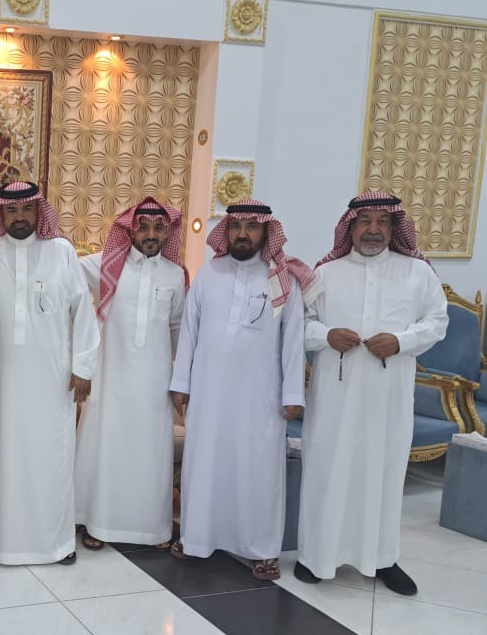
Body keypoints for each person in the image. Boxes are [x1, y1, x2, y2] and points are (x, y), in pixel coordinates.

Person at [295, 192, 448, 595]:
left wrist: (401, 341)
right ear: (350, 227)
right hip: (334, 398)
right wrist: (326, 335)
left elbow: (437, 322)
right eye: (365, 221)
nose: (374, 229)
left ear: (395, 228)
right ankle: (315, 557)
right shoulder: (326, 274)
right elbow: (299, 325)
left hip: (387, 399)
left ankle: (382, 559)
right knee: (327, 470)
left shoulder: (417, 273)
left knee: (383, 473)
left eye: (383, 222)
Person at [169, 200, 312, 580]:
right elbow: (190, 333)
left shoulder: (281, 279)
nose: (243, 234)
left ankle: (262, 549)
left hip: (260, 397)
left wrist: (292, 395)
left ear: (266, 232)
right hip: (209, 392)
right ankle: (197, 538)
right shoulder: (209, 273)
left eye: (252, 227)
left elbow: (293, 339)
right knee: (205, 463)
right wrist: (181, 384)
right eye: (235, 226)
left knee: (259, 469)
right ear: (226, 231)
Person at [0, 181, 99, 565]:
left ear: (39, 212)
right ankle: (3, 542)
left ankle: (56, 543)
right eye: (11, 210)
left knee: (52, 458)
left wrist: (83, 368)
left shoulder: (61, 252)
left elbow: (82, 311)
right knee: (2, 458)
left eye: (27, 209)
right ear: (0, 214)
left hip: (53, 380)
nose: (20, 217)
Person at [75, 197, 187, 550]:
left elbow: (177, 328)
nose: (151, 235)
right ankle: (97, 522)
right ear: (130, 230)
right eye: (143, 227)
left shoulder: (175, 274)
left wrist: (183, 380)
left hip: (154, 381)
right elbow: (63, 269)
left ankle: (152, 529)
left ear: (167, 232)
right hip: (110, 375)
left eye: (158, 228)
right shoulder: (105, 264)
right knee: (106, 446)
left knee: (149, 453)